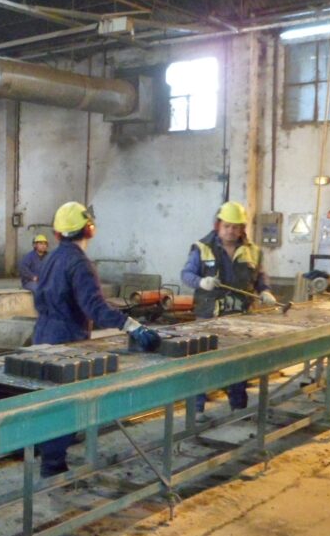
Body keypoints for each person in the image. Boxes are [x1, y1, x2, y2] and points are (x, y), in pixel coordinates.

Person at [33, 201, 161, 476]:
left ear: (57, 234)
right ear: (89, 230)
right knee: (67, 405)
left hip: (42, 333)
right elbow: (94, 307)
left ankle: (49, 458)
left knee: (49, 402)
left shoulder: (50, 259)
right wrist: (130, 325)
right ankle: (53, 467)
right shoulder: (80, 263)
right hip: (66, 339)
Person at [181, 200, 275, 414]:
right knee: (203, 364)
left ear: (242, 228)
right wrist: (201, 282)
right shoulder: (202, 248)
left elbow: (260, 276)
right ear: (218, 225)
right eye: (227, 226)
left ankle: (238, 408)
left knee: (238, 364)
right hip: (208, 317)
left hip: (240, 318)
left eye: (236, 227)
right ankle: (197, 411)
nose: (231, 231)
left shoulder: (253, 251)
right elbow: (186, 274)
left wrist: (265, 290)